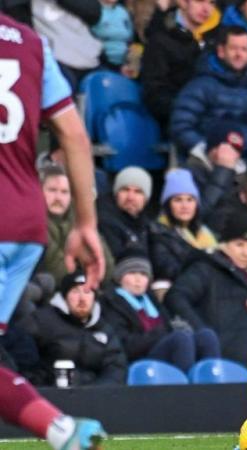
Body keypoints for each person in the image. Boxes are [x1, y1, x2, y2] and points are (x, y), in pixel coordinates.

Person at [0, 12, 107, 449]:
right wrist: (86, 223)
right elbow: (74, 136)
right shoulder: (31, 42)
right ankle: (63, 431)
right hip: (24, 222)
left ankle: (63, 432)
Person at [165, 214, 247, 366]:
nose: (246, 252)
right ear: (224, 245)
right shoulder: (205, 269)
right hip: (218, 364)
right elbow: (176, 297)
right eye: (239, 244)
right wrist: (205, 335)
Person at [169, 26, 247, 165]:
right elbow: (180, 126)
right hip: (212, 164)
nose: (239, 54)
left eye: (244, 49)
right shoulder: (201, 86)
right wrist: (205, 152)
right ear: (221, 51)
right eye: (233, 48)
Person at [102, 250, 221, 371]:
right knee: (180, 339)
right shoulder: (112, 303)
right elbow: (125, 346)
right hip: (138, 361)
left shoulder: (151, 301)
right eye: (132, 273)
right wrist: (160, 333)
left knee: (206, 336)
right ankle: (186, 388)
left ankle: (213, 383)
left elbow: (168, 328)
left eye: (143, 274)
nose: (138, 279)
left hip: (161, 352)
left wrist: (179, 327)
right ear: (119, 277)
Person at [19, 270, 128, 386]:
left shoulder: (104, 329)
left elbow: (116, 368)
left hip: (94, 398)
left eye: (87, 292)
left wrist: (96, 393)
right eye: (75, 291)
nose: (82, 298)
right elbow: (22, 359)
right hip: (50, 397)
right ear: (65, 297)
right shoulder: (41, 321)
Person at [140, 0, 215, 128]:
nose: (206, 9)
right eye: (200, 1)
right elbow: (155, 95)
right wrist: (191, 109)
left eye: (212, 2)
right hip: (178, 124)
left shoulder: (214, 40)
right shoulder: (160, 40)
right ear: (183, 2)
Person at [38, 166, 115, 288]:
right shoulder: (36, 222)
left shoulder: (81, 220)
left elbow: (106, 268)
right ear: (39, 191)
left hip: (87, 290)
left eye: (64, 192)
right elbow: (57, 271)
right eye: (52, 190)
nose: (58, 198)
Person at [149, 168, 218, 291]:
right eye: (178, 200)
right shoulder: (158, 233)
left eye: (190, 200)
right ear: (167, 204)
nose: (185, 206)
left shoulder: (205, 233)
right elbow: (167, 269)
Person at [97, 166, 154, 258]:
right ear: (116, 194)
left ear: (146, 199)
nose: (130, 197)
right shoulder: (104, 220)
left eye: (138, 192)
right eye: (125, 190)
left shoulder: (146, 223)